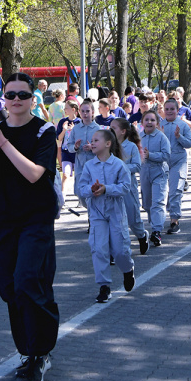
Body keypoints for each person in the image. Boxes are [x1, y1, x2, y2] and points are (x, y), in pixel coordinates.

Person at [0, 73, 61, 381]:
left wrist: (3, 144)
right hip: (4, 217)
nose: (16, 100)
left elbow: (34, 174)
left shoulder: (44, 130)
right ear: (3, 98)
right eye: (10, 94)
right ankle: (27, 350)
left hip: (36, 218)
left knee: (29, 280)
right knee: (9, 287)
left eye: (23, 95)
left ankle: (41, 352)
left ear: (32, 99)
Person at [75, 128, 136, 303]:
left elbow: (126, 187)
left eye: (96, 140)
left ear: (108, 144)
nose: (92, 143)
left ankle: (127, 269)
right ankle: (104, 286)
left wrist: (106, 189)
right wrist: (92, 189)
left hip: (116, 213)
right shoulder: (89, 166)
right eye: (92, 140)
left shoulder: (119, 165)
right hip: (97, 214)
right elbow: (81, 188)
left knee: (120, 250)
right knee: (98, 248)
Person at [111, 117, 148, 255]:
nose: (110, 130)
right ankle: (114, 251)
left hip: (128, 187)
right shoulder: (109, 145)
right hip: (112, 187)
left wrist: (121, 168)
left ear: (123, 131)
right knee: (114, 220)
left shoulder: (131, 146)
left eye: (114, 128)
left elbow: (137, 166)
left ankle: (141, 236)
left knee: (132, 218)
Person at [161, 99, 191, 234]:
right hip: (162, 162)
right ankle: (158, 220)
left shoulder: (183, 125)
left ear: (177, 110)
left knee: (175, 190)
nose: (169, 111)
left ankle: (174, 220)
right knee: (162, 193)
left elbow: (189, 144)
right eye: (167, 109)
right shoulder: (159, 125)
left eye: (172, 109)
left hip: (178, 161)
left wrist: (179, 137)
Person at [139, 109, 171, 247]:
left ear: (157, 123)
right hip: (144, 172)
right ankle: (154, 224)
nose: (149, 122)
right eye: (147, 120)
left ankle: (156, 231)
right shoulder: (139, 137)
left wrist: (150, 155)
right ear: (142, 122)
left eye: (152, 120)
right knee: (147, 204)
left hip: (159, 172)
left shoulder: (161, 137)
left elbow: (166, 155)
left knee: (158, 202)